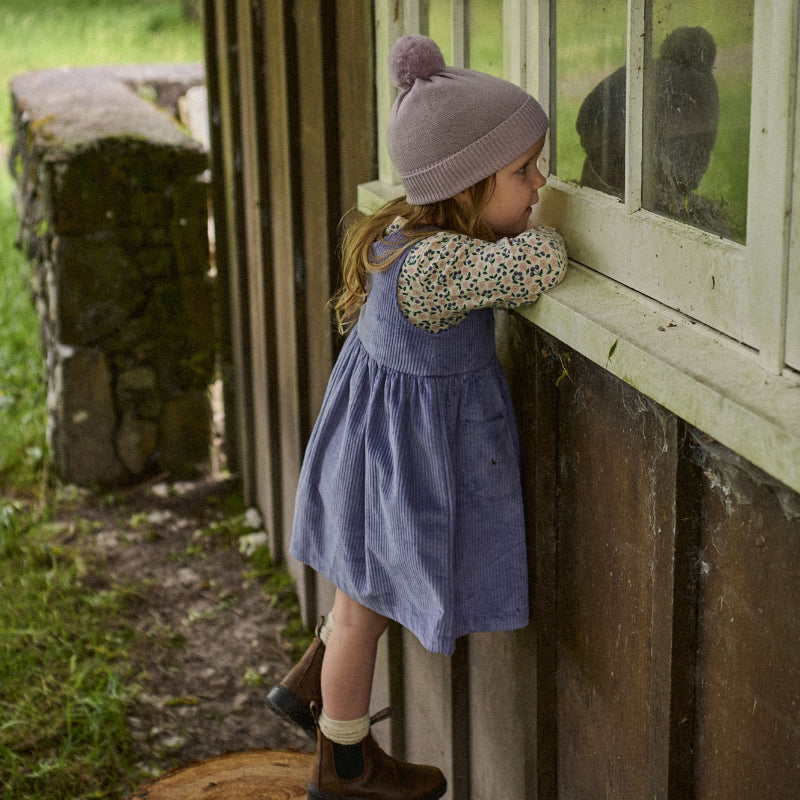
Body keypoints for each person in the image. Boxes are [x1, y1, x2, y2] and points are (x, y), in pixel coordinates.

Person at [267, 33, 568, 800]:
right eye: (523, 171)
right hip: (393, 465)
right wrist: (555, 225)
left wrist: (523, 200)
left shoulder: (407, 234)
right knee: (364, 610)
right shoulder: (439, 265)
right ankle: (344, 762)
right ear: (464, 185)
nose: (539, 183)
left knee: (358, 595)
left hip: (374, 455)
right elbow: (540, 263)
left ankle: (309, 688)